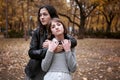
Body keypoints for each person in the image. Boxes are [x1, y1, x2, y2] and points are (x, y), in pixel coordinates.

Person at [25, 5, 77, 80]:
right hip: (35, 70)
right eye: (40, 15)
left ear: (52, 15)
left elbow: (73, 41)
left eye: (45, 14)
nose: (42, 17)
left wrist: (56, 45)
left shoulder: (58, 30)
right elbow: (31, 52)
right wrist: (50, 49)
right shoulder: (37, 32)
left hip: (52, 72)